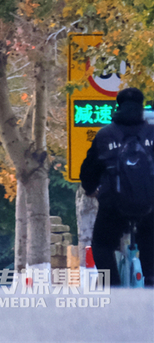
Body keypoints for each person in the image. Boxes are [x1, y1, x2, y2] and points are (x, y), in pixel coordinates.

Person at [79, 86, 154, 288]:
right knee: (150, 238)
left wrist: (90, 189)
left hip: (114, 206)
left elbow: (88, 172)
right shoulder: (152, 133)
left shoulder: (105, 135)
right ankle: (151, 279)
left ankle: (112, 285)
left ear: (118, 106)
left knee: (102, 246)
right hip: (150, 205)